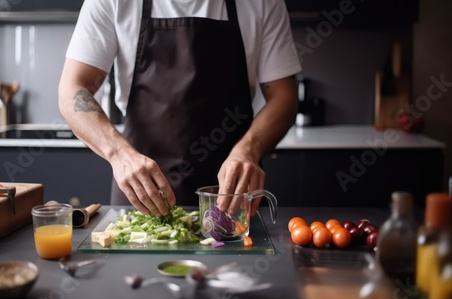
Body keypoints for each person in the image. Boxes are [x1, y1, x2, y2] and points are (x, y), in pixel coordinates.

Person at [58, 0, 302, 217]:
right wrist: (120, 156)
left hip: (232, 197)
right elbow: (72, 88)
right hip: (141, 195)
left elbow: (284, 98)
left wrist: (248, 151)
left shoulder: (262, 3)